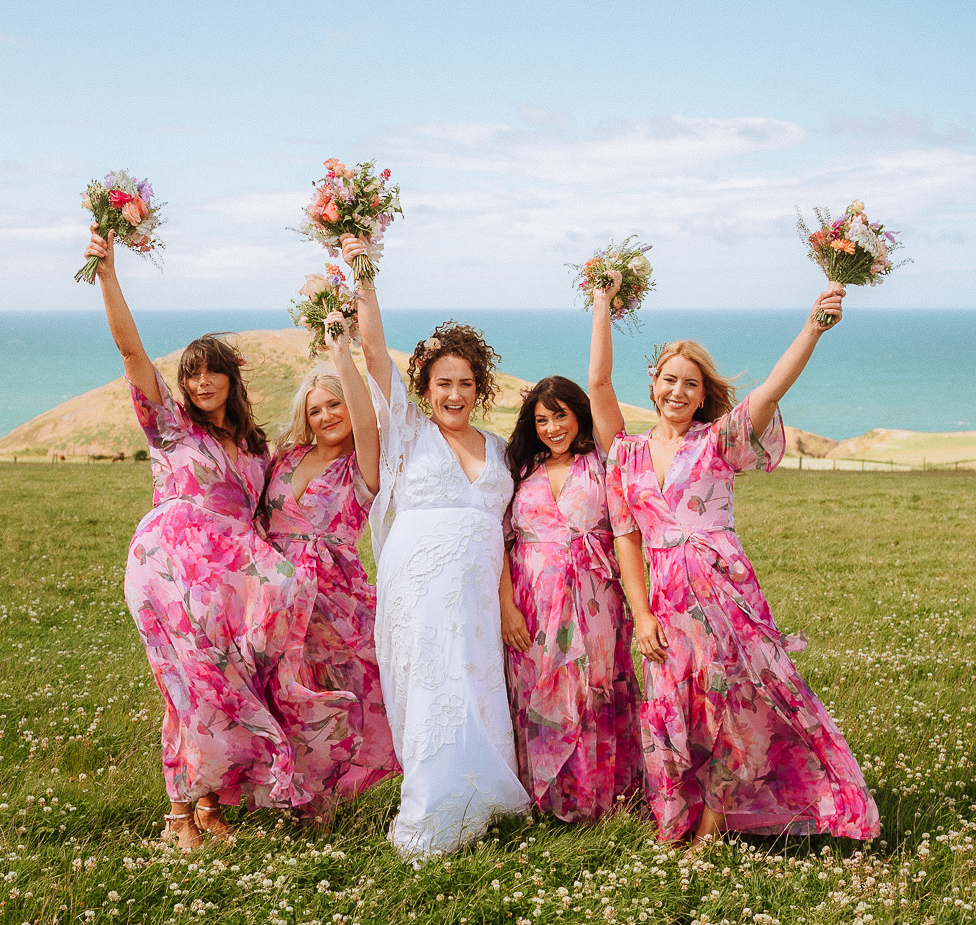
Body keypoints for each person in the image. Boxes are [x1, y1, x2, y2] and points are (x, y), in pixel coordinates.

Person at [591, 274, 880, 846]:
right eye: (669, 380)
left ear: (702, 395)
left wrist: (813, 326)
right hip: (667, 605)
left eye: (689, 385)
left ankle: (714, 822)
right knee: (672, 706)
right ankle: (677, 814)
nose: (677, 391)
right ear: (653, 385)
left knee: (736, 705)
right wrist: (601, 299)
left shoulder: (717, 440)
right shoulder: (624, 454)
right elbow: (626, 536)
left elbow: (771, 389)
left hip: (726, 594)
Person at [83, 227, 345, 849]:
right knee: (187, 679)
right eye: (192, 375)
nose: (200, 384)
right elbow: (132, 356)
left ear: (231, 379)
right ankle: (181, 813)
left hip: (230, 574)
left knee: (226, 678)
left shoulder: (256, 446)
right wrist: (108, 274)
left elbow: (303, 475)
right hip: (169, 564)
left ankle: (212, 799)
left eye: (211, 374)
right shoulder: (170, 429)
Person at [340, 233, 529, 856]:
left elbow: (502, 534)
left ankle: (481, 800)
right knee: (428, 690)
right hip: (417, 586)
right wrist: (362, 265)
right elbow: (371, 351)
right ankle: (429, 816)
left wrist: (505, 605)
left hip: (475, 591)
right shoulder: (407, 432)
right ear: (425, 386)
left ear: (481, 388)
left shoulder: (500, 450)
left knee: (476, 686)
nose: (454, 394)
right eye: (443, 382)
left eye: (466, 383)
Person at [261, 314, 398, 820]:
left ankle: (330, 797)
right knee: (285, 691)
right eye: (315, 409)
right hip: (277, 597)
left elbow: (368, 422)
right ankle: (287, 793)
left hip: (336, 598)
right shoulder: (286, 459)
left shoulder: (362, 466)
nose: (326, 416)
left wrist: (341, 350)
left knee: (346, 696)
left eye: (334, 403)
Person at [500, 376, 644, 821]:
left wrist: (601, 304)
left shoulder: (602, 462)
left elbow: (602, 381)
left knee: (589, 692)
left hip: (594, 601)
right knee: (534, 694)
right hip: (531, 604)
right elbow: (499, 542)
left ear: (579, 413)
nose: (551, 427)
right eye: (541, 419)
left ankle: (592, 803)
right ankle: (538, 802)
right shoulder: (521, 469)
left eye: (560, 415)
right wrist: (507, 609)